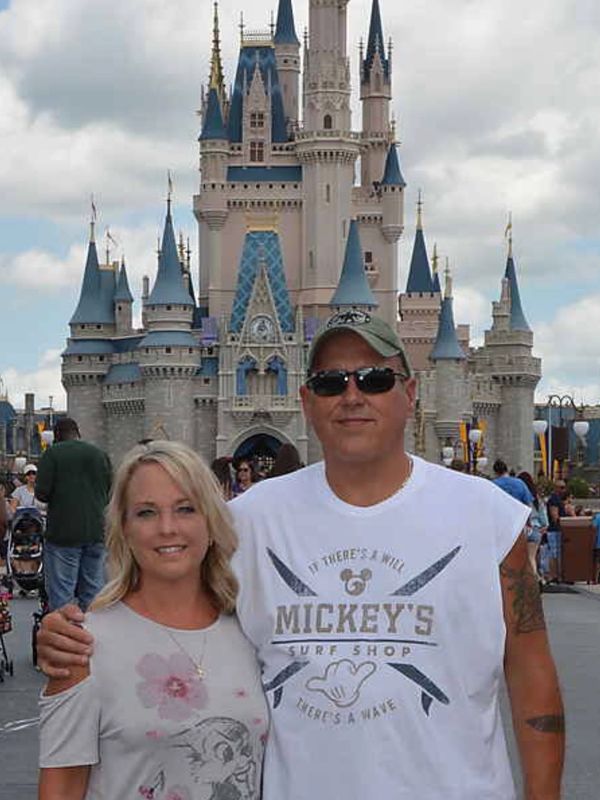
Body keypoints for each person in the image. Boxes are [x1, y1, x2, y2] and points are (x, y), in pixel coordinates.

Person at [38, 311, 564, 799]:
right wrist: (73, 634)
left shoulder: (488, 518)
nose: (352, 396)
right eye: (332, 382)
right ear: (306, 399)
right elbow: (167, 606)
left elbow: (531, 679)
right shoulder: (251, 520)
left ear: (410, 392)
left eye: (374, 379)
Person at [38, 440, 267, 800]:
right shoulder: (82, 646)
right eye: (146, 512)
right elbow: (61, 787)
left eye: (186, 509)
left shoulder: (254, 629)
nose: (167, 528)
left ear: (211, 523)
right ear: (124, 529)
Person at [35, 418, 112, 611]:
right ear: (78, 433)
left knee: (62, 596)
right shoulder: (100, 454)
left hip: (63, 534)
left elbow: (41, 494)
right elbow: (111, 491)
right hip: (96, 532)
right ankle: (95, 637)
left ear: (57, 435)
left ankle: (66, 638)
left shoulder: (52, 454)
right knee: (94, 592)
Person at [518, 471, 548, 581]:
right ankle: (535, 579)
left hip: (523, 529)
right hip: (536, 529)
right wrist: (543, 528)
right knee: (532, 557)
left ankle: (531, 581)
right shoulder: (537, 499)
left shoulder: (520, 497)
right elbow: (544, 519)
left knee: (522, 558)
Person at [545, 479, 575, 584]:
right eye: (561, 487)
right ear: (556, 488)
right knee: (554, 553)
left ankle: (558, 575)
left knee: (558, 553)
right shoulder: (554, 500)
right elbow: (555, 517)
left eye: (564, 487)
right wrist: (565, 519)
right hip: (554, 530)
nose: (563, 490)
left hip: (558, 530)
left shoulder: (558, 499)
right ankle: (554, 575)